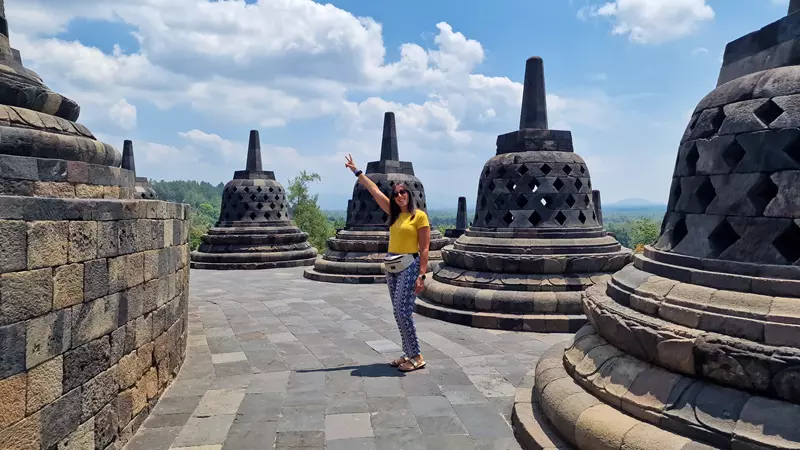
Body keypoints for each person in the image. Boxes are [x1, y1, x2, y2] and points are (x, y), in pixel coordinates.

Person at [345, 154, 430, 372]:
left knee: (404, 311)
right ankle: (408, 352)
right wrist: (357, 172)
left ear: (409, 195)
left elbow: (425, 248)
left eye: (403, 192)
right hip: (392, 265)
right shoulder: (393, 213)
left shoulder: (419, 217)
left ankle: (417, 355)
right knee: (396, 311)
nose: (400, 195)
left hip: (410, 266)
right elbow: (374, 191)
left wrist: (422, 275)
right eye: (396, 193)